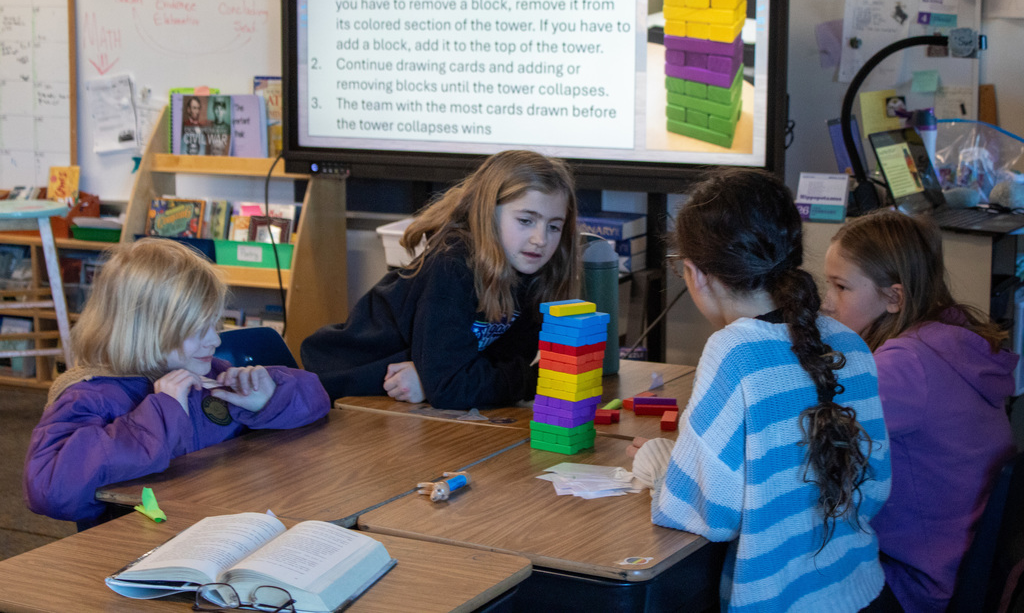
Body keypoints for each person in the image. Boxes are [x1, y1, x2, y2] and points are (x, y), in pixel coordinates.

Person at [628, 168, 893, 612]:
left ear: (694, 273)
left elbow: (707, 512)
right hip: (864, 593)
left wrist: (659, 462)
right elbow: (877, 487)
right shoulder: (853, 344)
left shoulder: (734, 351)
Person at [23, 238, 330, 527]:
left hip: (218, 528)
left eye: (215, 324)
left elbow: (315, 398)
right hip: (139, 552)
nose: (214, 340)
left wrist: (270, 399)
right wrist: (159, 415)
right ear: (144, 330)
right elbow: (49, 490)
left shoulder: (207, 372)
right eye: (197, 330)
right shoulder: (89, 396)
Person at [822, 210, 1017, 613]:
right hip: (960, 571)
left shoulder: (905, 365)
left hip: (913, 586)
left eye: (840, 287)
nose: (827, 303)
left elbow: (811, 444)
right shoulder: (951, 337)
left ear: (895, 297)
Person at [301, 150, 580, 410]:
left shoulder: (531, 273)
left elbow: (498, 365)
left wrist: (435, 379)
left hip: (396, 399)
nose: (540, 239)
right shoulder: (453, 264)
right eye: (526, 221)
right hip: (339, 389)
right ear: (487, 214)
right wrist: (539, 380)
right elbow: (452, 387)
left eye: (553, 226)